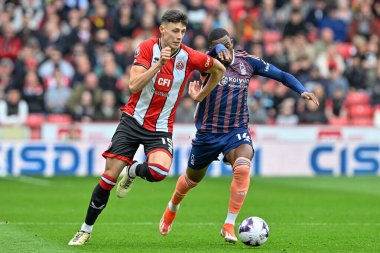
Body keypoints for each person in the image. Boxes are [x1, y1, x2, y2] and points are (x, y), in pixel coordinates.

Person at [68, 9, 226, 245]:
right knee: (108, 179)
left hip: (160, 128)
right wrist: (158, 65)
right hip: (133, 121)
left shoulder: (189, 56)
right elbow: (133, 85)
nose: (179, 35)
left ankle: (131, 171)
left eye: (182, 31)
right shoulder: (146, 48)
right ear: (162, 30)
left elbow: (219, 69)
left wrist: (200, 95)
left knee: (160, 172)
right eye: (175, 31)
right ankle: (85, 229)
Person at [158, 28, 319, 243]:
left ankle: (228, 225)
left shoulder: (248, 62)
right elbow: (189, 54)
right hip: (207, 133)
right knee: (191, 180)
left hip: (237, 129)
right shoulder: (208, 61)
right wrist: (217, 48)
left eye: (226, 44)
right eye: (217, 46)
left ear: (232, 42)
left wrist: (301, 90)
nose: (223, 50)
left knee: (243, 167)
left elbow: (281, 75)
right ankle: (171, 208)